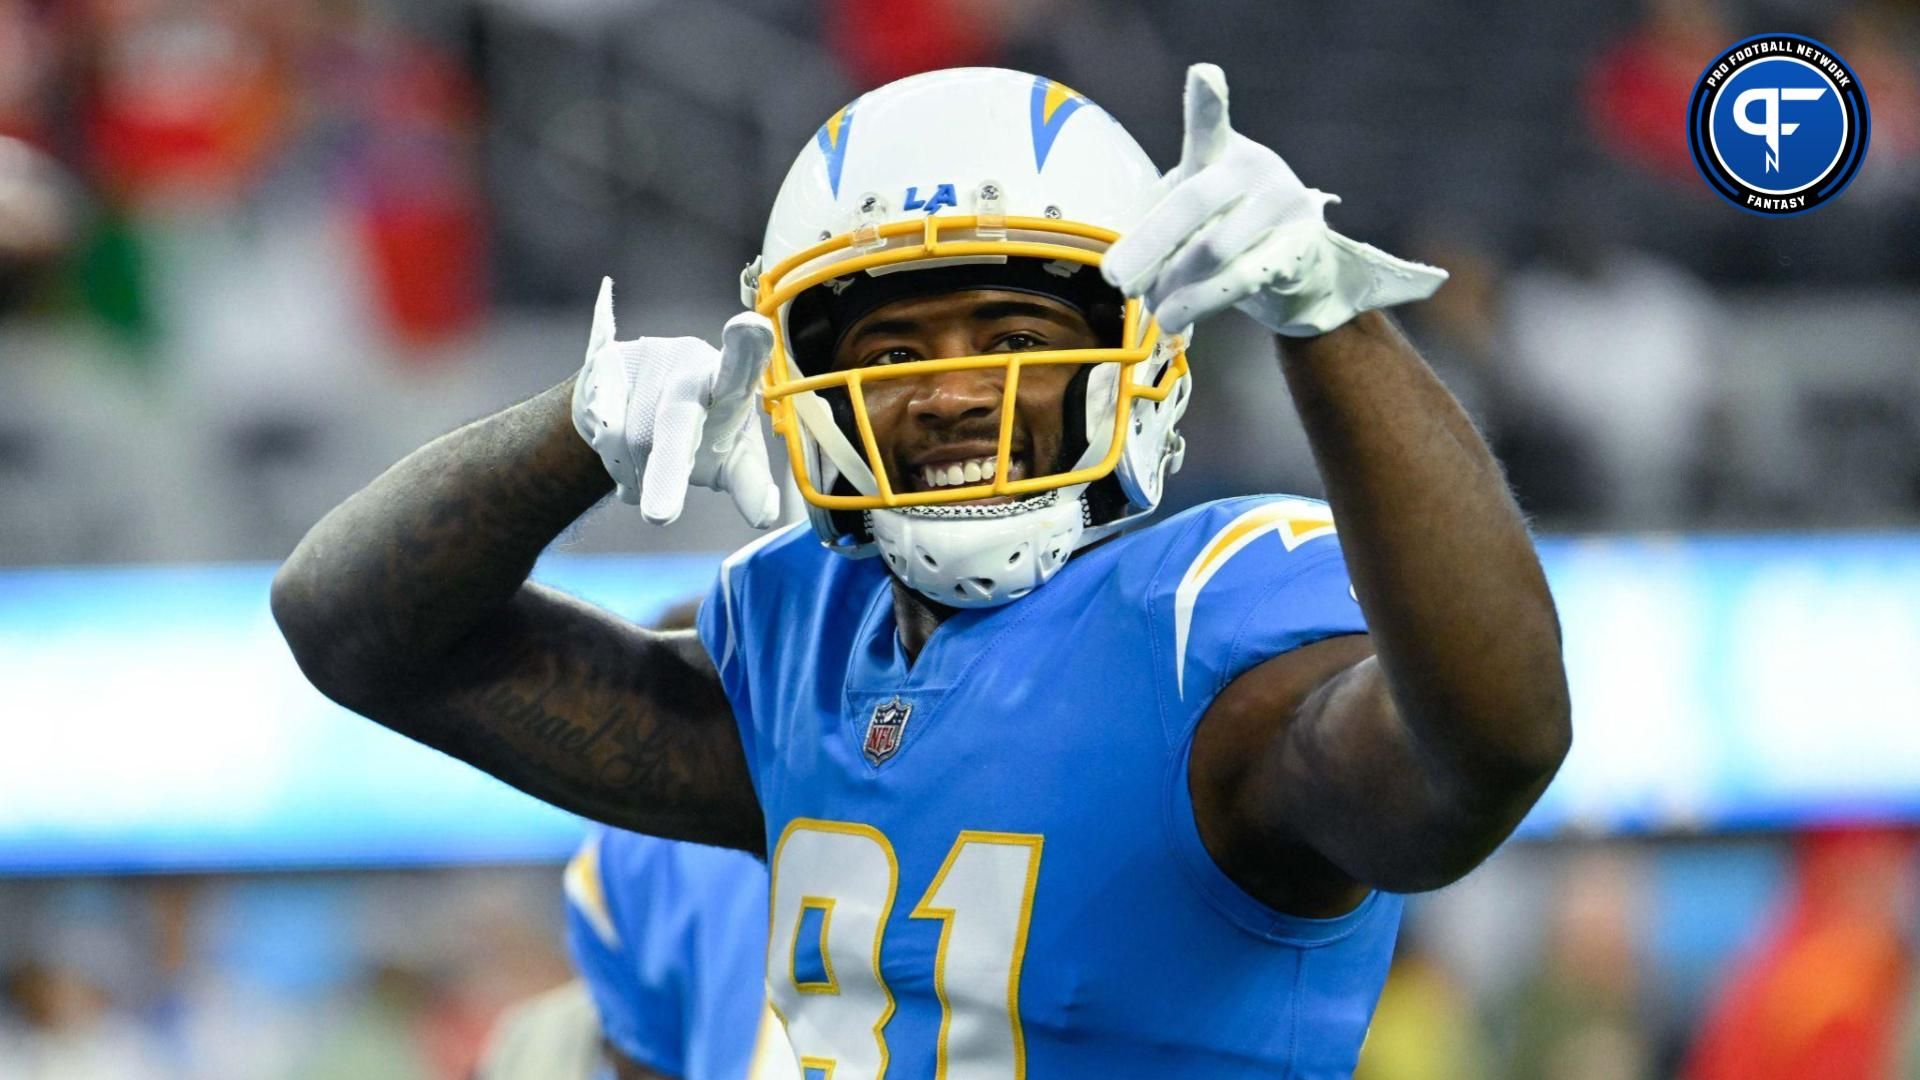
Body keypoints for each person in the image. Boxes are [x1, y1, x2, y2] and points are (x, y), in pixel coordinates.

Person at [274, 63, 1571, 1077]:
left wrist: (1329, 325)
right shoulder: (799, 655)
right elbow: (350, 633)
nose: (953, 390)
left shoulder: (1203, 646)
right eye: (893, 348)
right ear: (809, 382)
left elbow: (1496, 738)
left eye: (1013, 332)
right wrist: (569, 430)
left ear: (1141, 360)